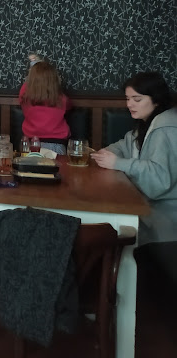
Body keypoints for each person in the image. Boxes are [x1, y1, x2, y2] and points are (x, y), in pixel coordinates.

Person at [90, 72, 177, 286]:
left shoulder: (165, 127)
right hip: (151, 208)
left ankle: (109, 291)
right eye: (128, 99)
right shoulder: (147, 123)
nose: (129, 104)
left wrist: (118, 163)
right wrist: (105, 154)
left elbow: (159, 181)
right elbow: (125, 145)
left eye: (137, 99)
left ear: (156, 99)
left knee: (105, 228)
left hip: (166, 217)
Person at [19, 59, 71, 155]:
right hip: (56, 144)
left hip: (30, 144)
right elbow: (68, 107)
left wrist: (34, 69)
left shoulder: (25, 96)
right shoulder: (62, 99)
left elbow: (26, 86)